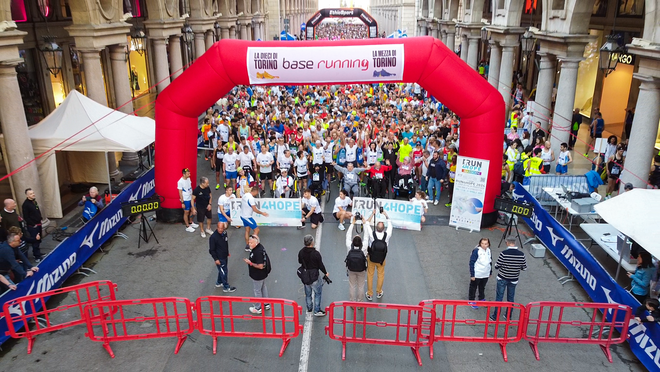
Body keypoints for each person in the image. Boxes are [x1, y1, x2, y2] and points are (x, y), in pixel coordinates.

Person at [490, 238, 527, 321]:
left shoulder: (504, 253)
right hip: (514, 279)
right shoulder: (521, 254)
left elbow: (497, 266)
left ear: (507, 243)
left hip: (502, 278)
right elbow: (524, 268)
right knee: (511, 298)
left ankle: (495, 316)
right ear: (515, 243)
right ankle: (508, 316)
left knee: (499, 297)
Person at [298, 234, 329, 316]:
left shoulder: (301, 252)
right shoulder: (316, 254)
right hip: (314, 276)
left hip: (305, 276)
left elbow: (300, 261)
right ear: (312, 243)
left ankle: (309, 308)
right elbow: (320, 265)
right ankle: (317, 310)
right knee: (318, 293)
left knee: (308, 293)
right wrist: (325, 272)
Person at [364, 211, 392, 301]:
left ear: (376, 228)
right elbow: (390, 224)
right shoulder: (387, 235)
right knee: (380, 274)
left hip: (371, 257)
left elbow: (367, 223)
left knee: (370, 274)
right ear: (384, 228)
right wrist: (385, 214)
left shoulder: (372, 235)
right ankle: (379, 292)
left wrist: (372, 214)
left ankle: (370, 293)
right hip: (381, 259)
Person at [243, 235, 271, 314]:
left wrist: (250, 263)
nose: (249, 244)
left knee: (257, 290)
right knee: (263, 287)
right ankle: (266, 303)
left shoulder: (257, 252)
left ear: (256, 243)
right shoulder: (259, 247)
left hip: (258, 275)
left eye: (251, 242)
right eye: (249, 242)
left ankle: (258, 307)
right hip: (263, 274)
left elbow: (260, 266)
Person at [345, 216, 368, 304]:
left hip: (351, 268)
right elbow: (366, 235)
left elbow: (348, 235)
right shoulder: (364, 246)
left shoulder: (349, 245)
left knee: (352, 285)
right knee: (361, 286)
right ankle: (360, 302)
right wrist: (364, 223)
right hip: (361, 269)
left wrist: (352, 223)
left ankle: (352, 302)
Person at [209, 222, 236, 292]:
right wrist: (216, 259)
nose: (221, 230)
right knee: (224, 271)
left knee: (222, 270)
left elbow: (225, 244)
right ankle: (226, 287)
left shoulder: (224, 233)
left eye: (222, 228)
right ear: (217, 227)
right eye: (219, 228)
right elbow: (212, 250)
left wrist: (227, 253)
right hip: (219, 257)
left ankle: (219, 282)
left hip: (224, 256)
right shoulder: (213, 237)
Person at [240, 187, 269, 251]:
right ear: (255, 191)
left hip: (242, 215)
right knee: (257, 230)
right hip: (247, 217)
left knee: (247, 230)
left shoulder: (245, 195)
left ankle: (247, 246)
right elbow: (255, 209)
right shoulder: (251, 199)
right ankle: (252, 244)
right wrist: (262, 213)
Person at [468, 238, 492, 309]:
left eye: (486, 244)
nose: (484, 245)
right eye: (482, 243)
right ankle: (471, 300)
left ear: (488, 244)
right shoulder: (476, 251)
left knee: (482, 287)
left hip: (485, 274)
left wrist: (490, 271)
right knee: (473, 287)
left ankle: (481, 298)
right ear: (480, 244)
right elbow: (472, 262)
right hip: (477, 273)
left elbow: (490, 261)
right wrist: (472, 275)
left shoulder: (489, 250)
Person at [21, 188, 43, 262]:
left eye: (33, 193)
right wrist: (33, 224)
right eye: (30, 194)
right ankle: (37, 256)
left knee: (39, 239)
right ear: (27, 195)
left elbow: (37, 211)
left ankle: (38, 253)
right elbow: (26, 217)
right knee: (35, 241)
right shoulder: (25, 205)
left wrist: (40, 218)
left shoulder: (34, 202)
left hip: (38, 223)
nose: (33, 194)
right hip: (33, 226)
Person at [178, 168, 199, 232]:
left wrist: (193, 195)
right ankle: (187, 226)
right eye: (188, 174)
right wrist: (182, 202)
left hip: (190, 198)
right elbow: (180, 192)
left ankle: (190, 222)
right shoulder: (180, 182)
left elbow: (190, 187)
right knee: (186, 212)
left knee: (193, 210)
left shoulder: (189, 179)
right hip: (185, 199)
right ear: (184, 174)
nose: (189, 175)